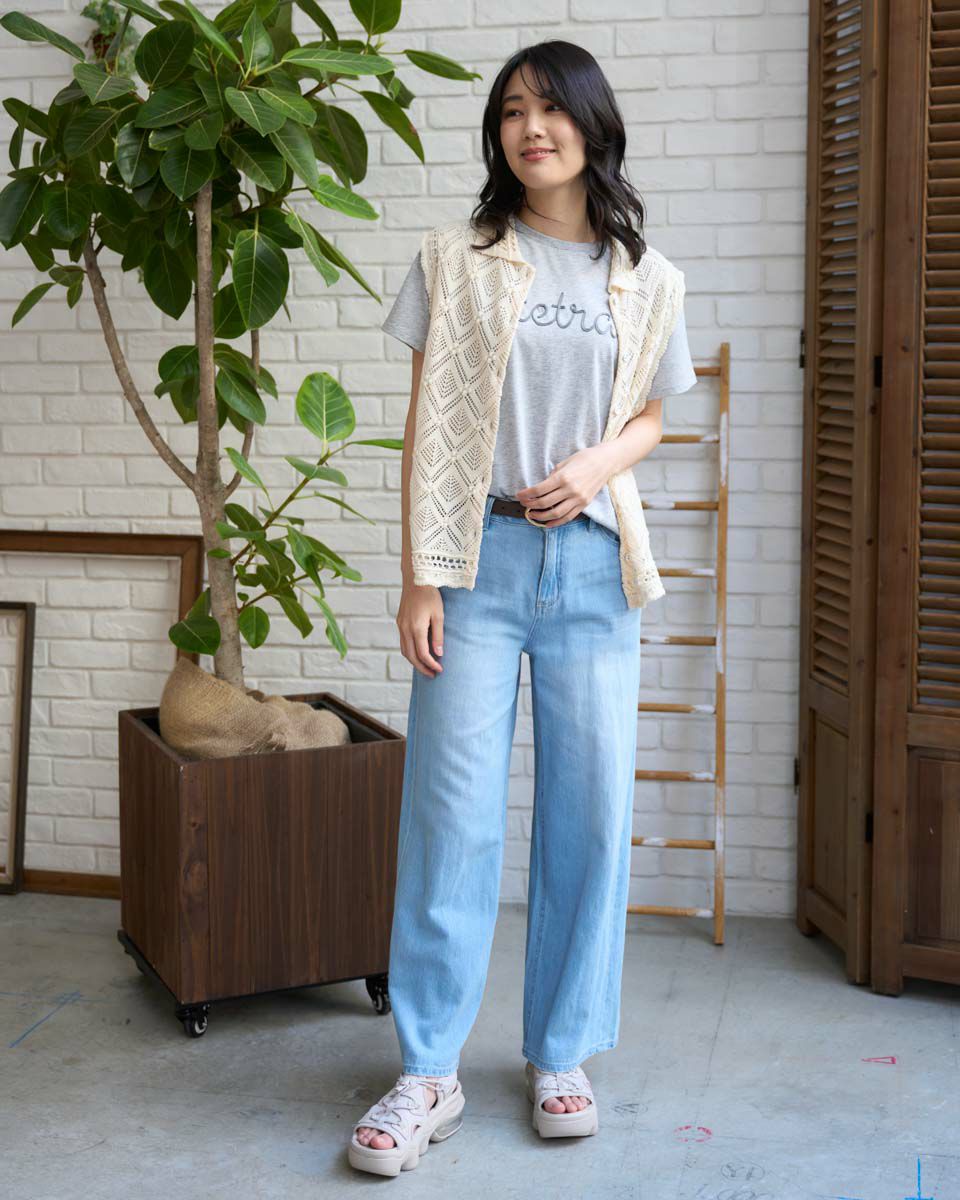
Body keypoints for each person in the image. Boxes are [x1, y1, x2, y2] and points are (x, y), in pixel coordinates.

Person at [348, 39, 697, 1177]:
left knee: (588, 816)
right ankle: (428, 1070)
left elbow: (653, 418)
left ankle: (561, 1053)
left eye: (550, 108)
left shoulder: (647, 276)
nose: (530, 128)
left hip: (593, 569)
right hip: (477, 566)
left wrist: (596, 465)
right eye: (510, 112)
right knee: (451, 821)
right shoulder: (457, 258)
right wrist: (419, 573)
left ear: (593, 124)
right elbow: (425, 420)